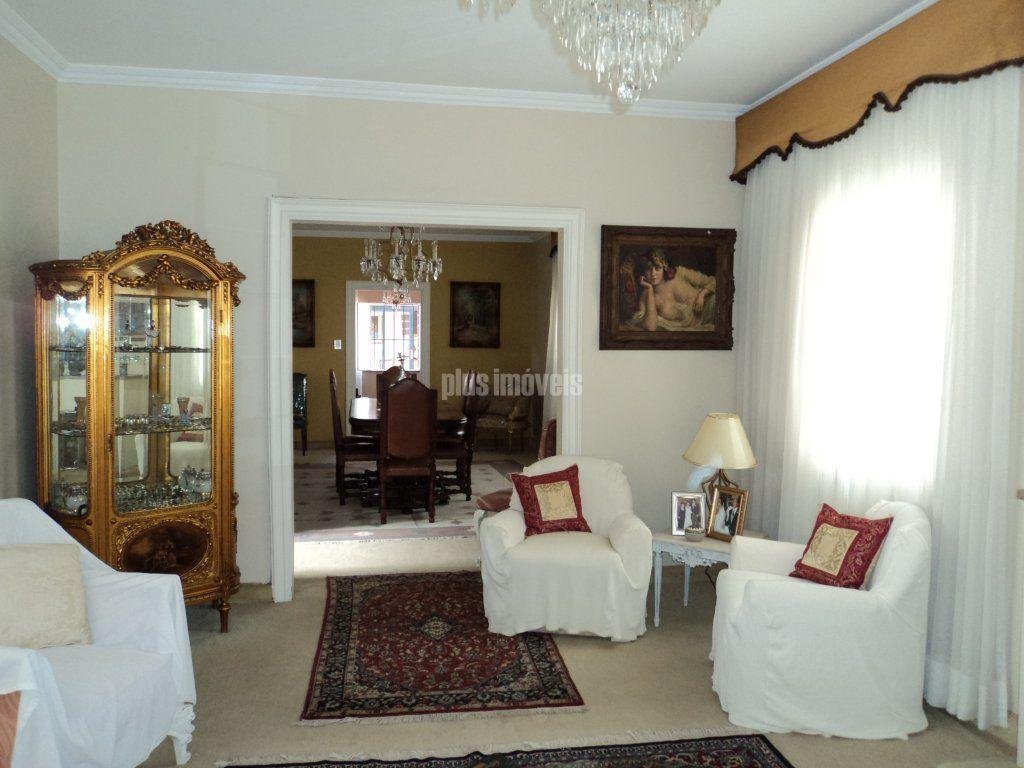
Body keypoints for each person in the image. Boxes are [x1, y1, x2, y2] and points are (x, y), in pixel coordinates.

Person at [627, 249, 716, 332]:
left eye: (657, 268)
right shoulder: (646, 296)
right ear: (643, 272)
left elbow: (714, 281)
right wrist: (649, 289)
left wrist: (702, 295)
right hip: (697, 326)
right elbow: (650, 327)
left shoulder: (679, 272)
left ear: (664, 268)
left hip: (710, 306)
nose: (653, 274)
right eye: (648, 269)